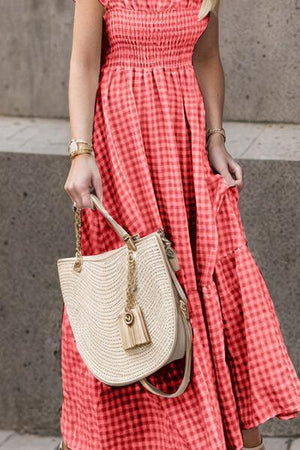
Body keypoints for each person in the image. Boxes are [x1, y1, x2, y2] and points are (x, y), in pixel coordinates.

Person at [59, 0, 300, 449]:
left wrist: (216, 139)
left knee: (200, 280)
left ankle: (211, 432)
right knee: (137, 289)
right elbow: (84, 61)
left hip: (184, 145)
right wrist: (80, 152)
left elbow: (207, 59)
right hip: (124, 144)